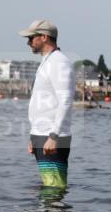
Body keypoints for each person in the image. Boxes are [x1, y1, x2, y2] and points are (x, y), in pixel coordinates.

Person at [19, 20, 74, 190]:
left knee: (54, 189)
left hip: (52, 137)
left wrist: (54, 136)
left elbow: (65, 99)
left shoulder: (59, 62)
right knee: (49, 187)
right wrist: (33, 135)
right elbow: (42, 102)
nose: (28, 42)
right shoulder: (47, 61)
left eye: (31, 37)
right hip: (41, 134)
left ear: (44, 37)